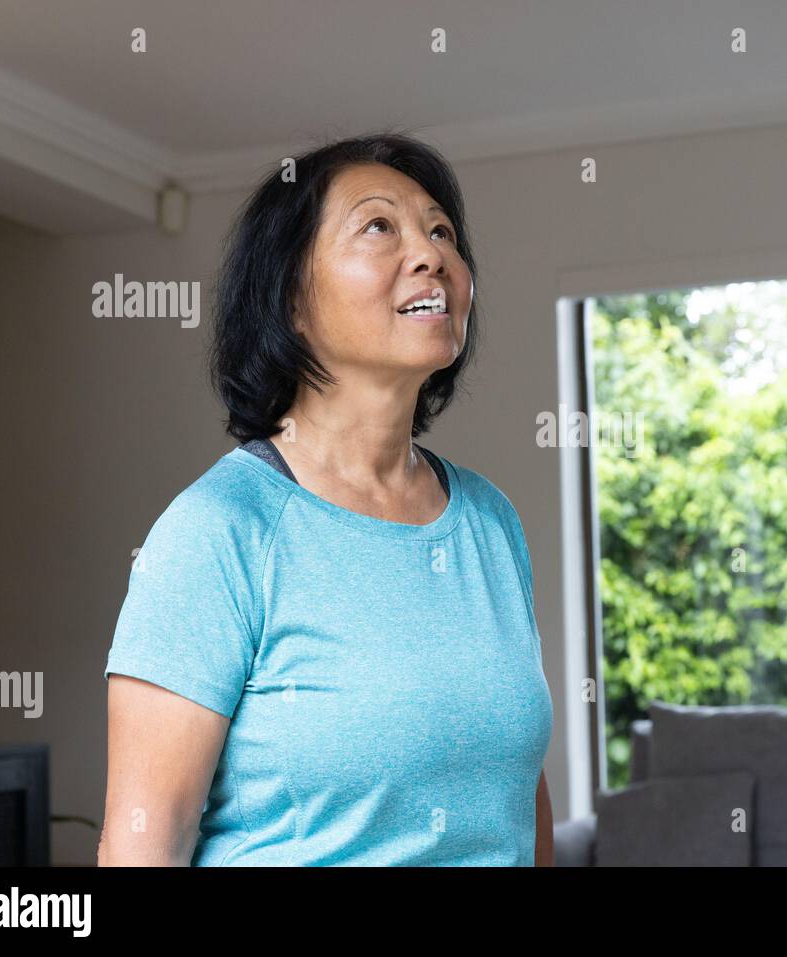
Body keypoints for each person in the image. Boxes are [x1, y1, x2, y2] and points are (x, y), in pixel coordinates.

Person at [98, 131, 553, 866]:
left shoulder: (490, 523)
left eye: (442, 231)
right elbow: (144, 844)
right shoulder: (219, 531)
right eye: (380, 226)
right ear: (291, 297)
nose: (431, 253)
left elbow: (518, 799)